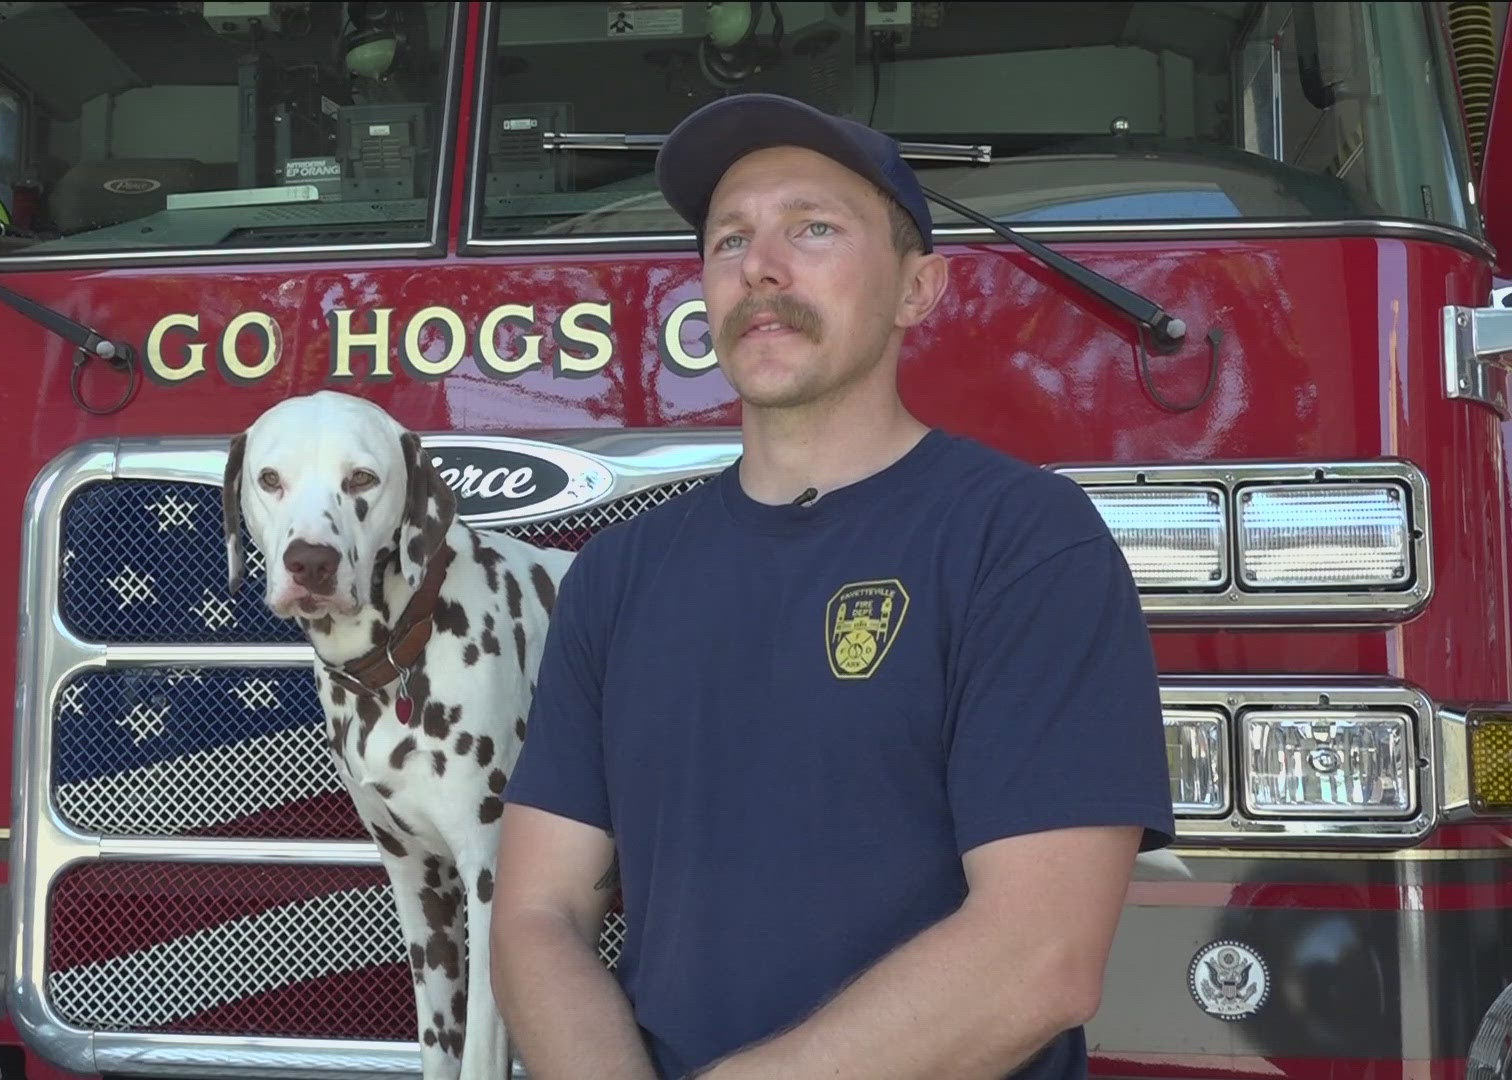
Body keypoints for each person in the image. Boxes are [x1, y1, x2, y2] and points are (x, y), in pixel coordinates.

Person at [490, 93, 1176, 1080]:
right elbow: (537, 914)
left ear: (917, 289)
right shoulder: (618, 575)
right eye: (729, 241)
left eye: (813, 229)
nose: (761, 268)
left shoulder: (1023, 544)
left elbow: (1042, 959)